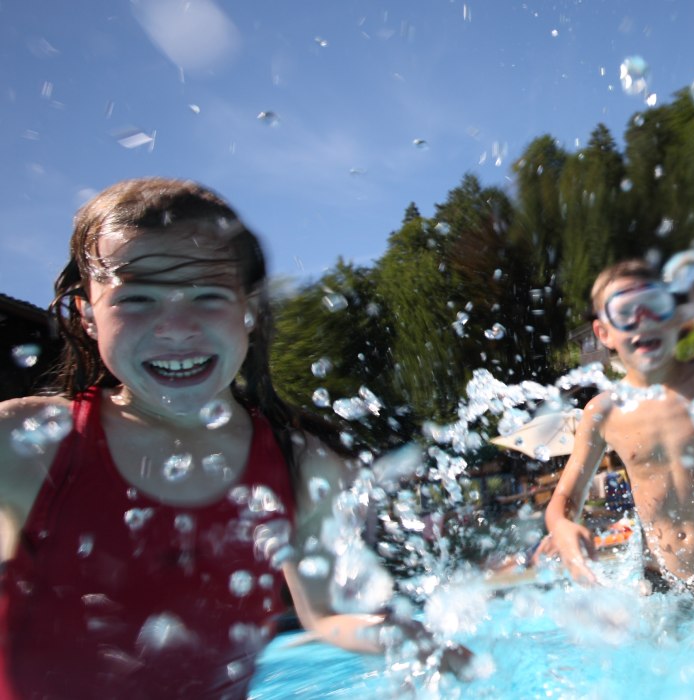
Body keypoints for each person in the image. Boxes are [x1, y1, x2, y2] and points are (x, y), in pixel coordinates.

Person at [0, 178, 463, 699]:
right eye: (138, 298)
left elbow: (325, 616)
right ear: (87, 316)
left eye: (207, 295)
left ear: (249, 310)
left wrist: (399, 635)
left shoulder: (302, 465)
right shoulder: (28, 447)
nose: (176, 328)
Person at [545, 260, 694, 593]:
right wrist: (561, 527)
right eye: (625, 310)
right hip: (660, 581)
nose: (643, 319)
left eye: (655, 305)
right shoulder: (604, 412)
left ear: (676, 316)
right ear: (604, 333)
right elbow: (566, 496)